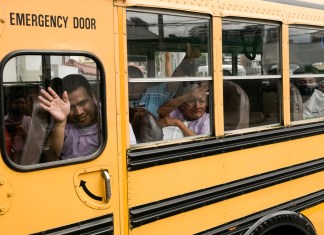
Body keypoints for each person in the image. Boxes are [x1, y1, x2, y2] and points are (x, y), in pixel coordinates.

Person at [38, 74, 100, 161]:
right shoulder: (62, 116)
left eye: (83, 103)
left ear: (93, 97)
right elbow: (50, 158)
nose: (78, 112)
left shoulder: (107, 117)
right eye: (71, 107)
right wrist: (60, 123)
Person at [139, 43, 201, 117]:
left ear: (141, 81)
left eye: (136, 82)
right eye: (130, 82)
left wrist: (188, 59)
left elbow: (173, 83)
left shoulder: (152, 93)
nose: (133, 86)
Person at [4, 91, 32, 164]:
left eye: (23, 103)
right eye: (16, 103)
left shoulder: (29, 121)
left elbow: (35, 146)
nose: (20, 105)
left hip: (24, 166)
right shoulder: (3, 122)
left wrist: (24, 134)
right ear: (10, 105)